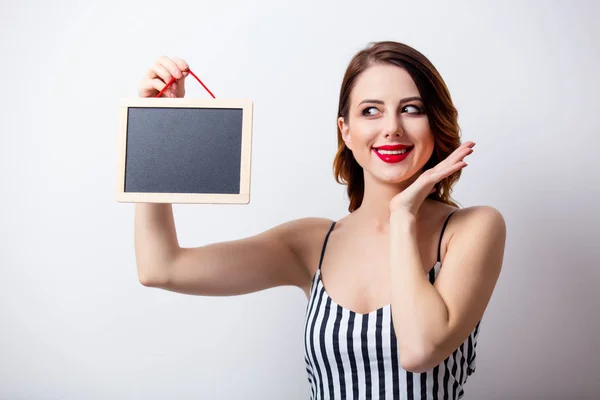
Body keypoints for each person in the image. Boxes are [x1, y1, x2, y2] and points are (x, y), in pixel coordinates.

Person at [134, 41, 506, 400]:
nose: (392, 127)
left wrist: (403, 217)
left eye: (411, 109)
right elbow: (162, 267)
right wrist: (155, 130)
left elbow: (420, 350)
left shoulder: (471, 230)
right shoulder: (312, 243)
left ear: (434, 123)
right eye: (371, 111)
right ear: (345, 130)